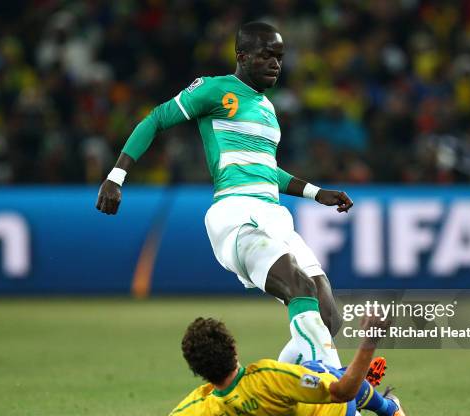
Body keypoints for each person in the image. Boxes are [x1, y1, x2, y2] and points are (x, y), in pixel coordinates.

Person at [95, 21, 354, 369]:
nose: (276, 64)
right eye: (267, 56)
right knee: (299, 287)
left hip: (274, 215)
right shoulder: (215, 89)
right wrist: (116, 175)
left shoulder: (267, 109)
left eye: (280, 57)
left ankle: (286, 387)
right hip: (236, 213)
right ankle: (342, 392)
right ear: (243, 56)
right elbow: (157, 118)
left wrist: (314, 192)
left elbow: (264, 169)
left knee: (328, 317)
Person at [82, 316, 437, 416]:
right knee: (317, 359)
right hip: (332, 415)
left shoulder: (200, 411)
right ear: (234, 349)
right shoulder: (268, 376)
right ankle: (389, 409)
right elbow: (339, 393)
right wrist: (369, 343)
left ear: (197, 371)